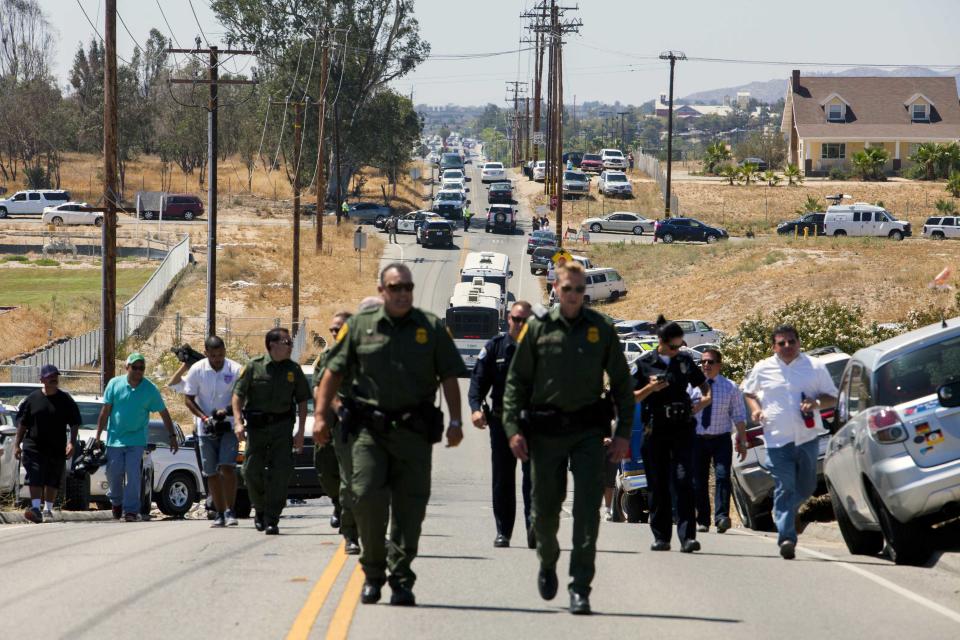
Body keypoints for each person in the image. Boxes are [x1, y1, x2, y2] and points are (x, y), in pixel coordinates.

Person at [314, 263, 467, 607]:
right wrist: (321, 416)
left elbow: (449, 378)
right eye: (395, 287)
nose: (402, 293)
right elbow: (332, 374)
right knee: (365, 495)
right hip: (369, 431)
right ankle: (372, 571)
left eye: (407, 288)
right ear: (382, 291)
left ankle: (401, 578)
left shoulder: (429, 328)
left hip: (413, 432)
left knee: (410, 509)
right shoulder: (358, 327)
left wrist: (456, 422)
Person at [503, 261, 634, 615]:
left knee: (587, 510)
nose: (574, 295)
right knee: (545, 510)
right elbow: (516, 383)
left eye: (580, 289)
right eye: (568, 289)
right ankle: (547, 560)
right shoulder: (537, 329)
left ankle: (580, 586)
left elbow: (622, 384)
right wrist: (513, 429)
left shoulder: (601, 329)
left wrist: (622, 434)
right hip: (546, 434)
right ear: (555, 290)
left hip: (589, 434)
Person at [741, 325, 838, 560]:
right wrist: (755, 410)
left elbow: (832, 397)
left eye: (791, 341)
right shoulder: (763, 368)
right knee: (785, 487)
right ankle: (786, 537)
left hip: (807, 438)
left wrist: (815, 404)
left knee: (806, 488)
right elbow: (748, 392)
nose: (787, 346)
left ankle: (781, 510)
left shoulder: (814, 367)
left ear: (799, 342)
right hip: (776, 441)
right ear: (774, 346)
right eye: (781, 343)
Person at [633, 318, 711, 553]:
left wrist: (704, 401)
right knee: (658, 485)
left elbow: (703, 386)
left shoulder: (685, 361)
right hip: (655, 431)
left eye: (680, 346)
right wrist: (649, 388)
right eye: (673, 347)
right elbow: (629, 397)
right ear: (661, 342)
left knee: (684, 480)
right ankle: (661, 537)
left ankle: (688, 537)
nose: (677, 351)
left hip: (682, 429)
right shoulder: (644, 364)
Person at [231, 328, 311, 535]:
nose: (290, 346)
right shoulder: (254, 367)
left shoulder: (294, 369)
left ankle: (272, 517)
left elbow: (302, 400)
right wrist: (238, 422)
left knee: (281, 474)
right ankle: (259, 508)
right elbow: (238, 395)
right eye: (286, 342)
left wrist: (301, 432)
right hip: (257, 429)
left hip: (282, 429)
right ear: (272, 345)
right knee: (250, 471)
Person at [469, 300, 534, 549]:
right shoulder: (495, 348)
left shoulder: (540, 349)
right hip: (501, 424)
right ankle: (503, 531)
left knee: (533, 479)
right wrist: (475, 410)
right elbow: (477, 383)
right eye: (516, 319)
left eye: (525, 321)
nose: (520, 324)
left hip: (533, 423)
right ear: (508, 319)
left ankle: (533, 529)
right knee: (503, 479)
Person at [94, 353, 178, 522]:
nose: (138, 371)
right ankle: (116, 501)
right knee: (113, 472)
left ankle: (131, 510)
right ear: (127, 368)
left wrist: (172, 435)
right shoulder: (114, 384)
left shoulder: (150, 389)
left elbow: (163, 412)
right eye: (135, 367)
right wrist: (98, 435)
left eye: (141, 368)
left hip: (137, 440)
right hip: (115, 439)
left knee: (133, 473)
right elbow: (105, 411)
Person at [179, 336, 243, 528]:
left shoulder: (235, 369)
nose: (217, 359)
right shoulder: (197, 370)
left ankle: (231, 510)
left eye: (221, 355)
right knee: (211, 472)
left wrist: (228, 412)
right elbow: (188, 399)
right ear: (206, 353)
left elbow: (242, 397)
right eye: (213, 355)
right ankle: (219, 512)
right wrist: (205, 418)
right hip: (205, 428)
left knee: (227, 467)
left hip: (229, 426)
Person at [313, 311, 361, 555]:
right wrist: (327, 414)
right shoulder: (330, 356)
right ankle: (350, 531)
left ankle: (371, 531)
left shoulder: (373, 351)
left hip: (374, 424)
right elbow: (320, 388)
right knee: (344, 478)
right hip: (342, 422)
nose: (335, 334)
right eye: (332, 330)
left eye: (339, 329)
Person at [687, 348, 747, 534]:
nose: (706, 365)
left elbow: (738, 415)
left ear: (719, 365)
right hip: (697, 439)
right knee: (699, 481)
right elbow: (685, 412)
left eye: (710, 362)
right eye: (703, 362)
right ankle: (703, 520)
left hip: (721, 438)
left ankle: (721, 517)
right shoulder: (692, 387)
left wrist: (742, 440)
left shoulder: (730, 387)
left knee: (722, 477)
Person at [13, 364, 82, 523]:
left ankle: (47, 510)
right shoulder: (32, 399)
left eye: (55, 376)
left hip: (56, 446)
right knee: (35, 475)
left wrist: (71, 442)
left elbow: (74, 423)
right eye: (50, 376)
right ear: (42, 379)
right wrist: (17, 444)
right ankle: (36, 508)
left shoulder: (65, 399)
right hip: (33, 445)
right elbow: (22, 423)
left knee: (53, 477)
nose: (54, 379)